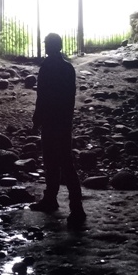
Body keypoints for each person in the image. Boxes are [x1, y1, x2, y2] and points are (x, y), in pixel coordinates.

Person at [29, 33, 86, 226]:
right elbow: (70, 96)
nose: (44, 47)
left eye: (46, 44)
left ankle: (52, 200)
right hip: (63, 121)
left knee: (52, 162)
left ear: (51, 46)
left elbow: (42, 95)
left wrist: (37, 118)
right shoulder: (68, 68)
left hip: (51, 121)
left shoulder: (47, 67)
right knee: (66, 163)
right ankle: (75, 207)